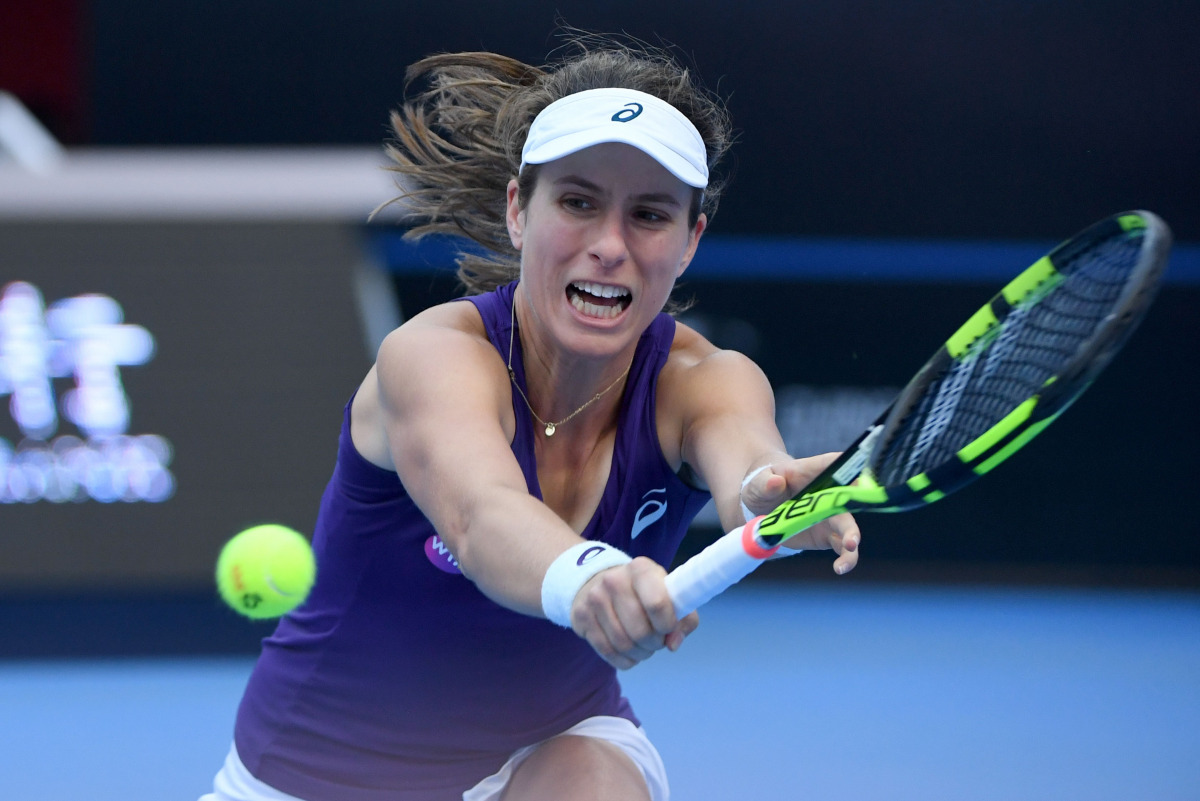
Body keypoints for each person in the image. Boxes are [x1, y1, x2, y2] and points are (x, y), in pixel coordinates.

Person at [201, 33, 861, 801]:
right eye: (578, 202)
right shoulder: (434, 356)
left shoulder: (705, 380)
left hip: (542, 753)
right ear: (519, 210)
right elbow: (482, 514)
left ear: (690, 241)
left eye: (649, 214)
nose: (609, 245)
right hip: (309, 779)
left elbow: (748, 463)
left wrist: (772, 491)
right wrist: (591, 578)